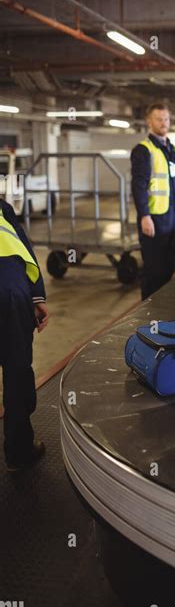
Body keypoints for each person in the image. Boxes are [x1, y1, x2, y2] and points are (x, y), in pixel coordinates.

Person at [0, 198, 49, 473]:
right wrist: (36, 296)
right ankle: (18, 453)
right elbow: (26, 251)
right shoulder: (2, 207)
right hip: (10, 292)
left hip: (11, 290)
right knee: (17, 370)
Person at [131, 103, 175, 300]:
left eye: (166, 119)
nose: (163, 123)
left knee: (169, 267)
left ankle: (163, 309)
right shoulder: (144, 151)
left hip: (174, 217)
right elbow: (138, 186)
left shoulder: (174, 151)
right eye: (159, 119)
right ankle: (148, 314)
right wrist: (144, 216)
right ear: (149, 122)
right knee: (153, 271)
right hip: (155, 219)